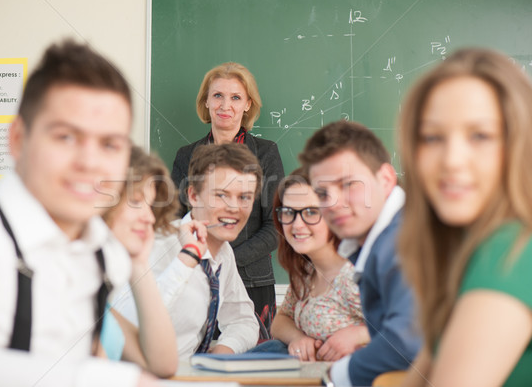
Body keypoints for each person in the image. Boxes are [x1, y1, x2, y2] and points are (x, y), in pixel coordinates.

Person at [0, 40, 160, 386]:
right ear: (18, 139)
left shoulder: (106, 255)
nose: (89, 162)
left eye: (110, 144)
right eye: (66, 137)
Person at [398, 48, 532, 387]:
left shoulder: (510, 252)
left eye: (480, 136)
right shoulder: (464, 249)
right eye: (433, 137)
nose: (452, 160)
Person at [299, 121, 421, 386]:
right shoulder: (380, 241)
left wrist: (335, 378)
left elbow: (406, 340)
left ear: (386, 179)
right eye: (322, 192)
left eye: (348, 185)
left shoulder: (402, 240)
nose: (333, 203)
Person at [171, 62, 284, 335]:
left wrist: (224, 257)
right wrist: (201, 258)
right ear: (206, 102)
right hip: (196, 279)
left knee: (251, 368)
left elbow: (276, 225)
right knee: (199, 367)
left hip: (253, 283)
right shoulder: (187, 155)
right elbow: (173, 219)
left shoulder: (266, 153)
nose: (225, 105)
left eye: (235, 97)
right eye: (218, 96)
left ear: (247, 105)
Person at [136, 143, 260, 360]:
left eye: (244, 197)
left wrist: (223, 351)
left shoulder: (224, 253)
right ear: (193, 196)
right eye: (221, 195)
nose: (234, 207)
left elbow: (243, 321)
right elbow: (136, 321)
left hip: (192, 375)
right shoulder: (159, 244)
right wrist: (188, 258)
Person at [251, 168, 369, 362]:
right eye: (289, 212)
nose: (297, 225)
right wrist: (298, 339)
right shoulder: (306, 271)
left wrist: (359, 334)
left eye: (312, 212)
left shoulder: (354, 275)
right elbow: (280, 321)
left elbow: (411, 328)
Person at [98, 146, 179, 377]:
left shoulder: (98, 298)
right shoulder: (65, 280)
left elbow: (162, 365)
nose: (150, 217)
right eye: (135, 201)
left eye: (150, 205)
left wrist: (139, 264)